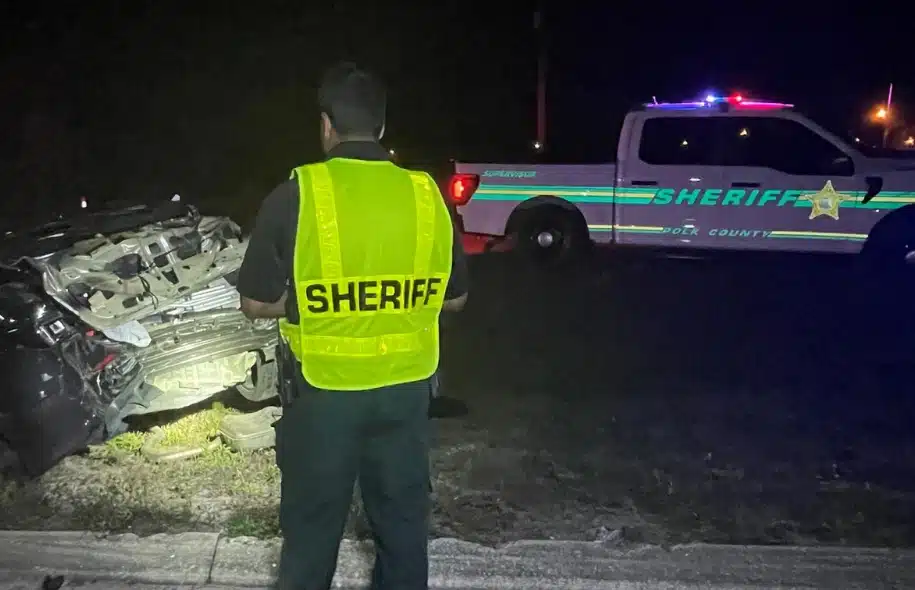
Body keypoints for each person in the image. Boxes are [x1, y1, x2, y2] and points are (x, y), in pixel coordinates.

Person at [236, 62, 469, 590]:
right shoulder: (425, 194)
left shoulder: (296, 193)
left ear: (325, 125)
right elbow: (455, 299)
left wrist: (313, 307)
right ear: (382, 128)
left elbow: (254, 301)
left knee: (312, 537)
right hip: (406, 391)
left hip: (323, 396)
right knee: (403, 530)